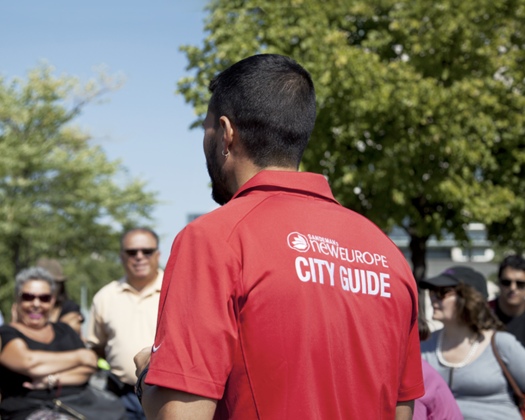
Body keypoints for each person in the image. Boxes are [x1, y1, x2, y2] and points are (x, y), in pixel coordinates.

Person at [132, 54, 424, 420]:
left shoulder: (213, 239)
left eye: (206, 128)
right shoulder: (386, 251)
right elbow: (401, 408)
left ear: (226, 134)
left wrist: (147, 374)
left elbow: (179, 416)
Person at [0, 267, 124, 420]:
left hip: (80, 405)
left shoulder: (64, 330)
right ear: (17, 298)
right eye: (28, 297)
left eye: (44, 298)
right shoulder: (5, 333)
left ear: (52, 300)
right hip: (29, 409)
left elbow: (89, 367)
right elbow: (28, 362)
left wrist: (51, 380)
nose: (36, 304)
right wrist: (80, 357)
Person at [420, 266, 525, 420]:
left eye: (442, 292)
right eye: (432, 292)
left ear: (469, 298)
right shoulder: (424, 346)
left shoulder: (501, 343)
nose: (433, 298)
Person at [87, 228, 163, 420]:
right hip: (119, 396)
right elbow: (97, 346)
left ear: (158, 255)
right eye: (132, 252)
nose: (139, 257)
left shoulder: (178, 290)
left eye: (146, 251)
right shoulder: (105, 297)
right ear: (121, 256)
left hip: (164, 393)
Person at [35, 258, 83, 334]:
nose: (49, 287)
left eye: (53, 282)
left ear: (60, 285)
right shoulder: (27, 305)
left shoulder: (70, 307)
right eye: (44, 282)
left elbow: (68, 333)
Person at [489, 255, 525, 346]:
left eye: (520, 283)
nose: (513, 288)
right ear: (498, 283)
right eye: (506, 282)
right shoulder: (484, 313)